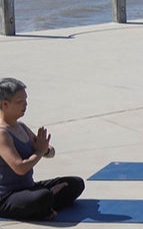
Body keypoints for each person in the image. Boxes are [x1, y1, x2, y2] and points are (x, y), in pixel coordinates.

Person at [0, 78, 85, 220]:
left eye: (26, 100)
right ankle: (47, 200)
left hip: (28, 188)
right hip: (6, 197)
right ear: (5, 104)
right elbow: (20, 168)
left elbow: (49, 152)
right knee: (42, 196)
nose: (25, 105)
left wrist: (45, 150)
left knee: (76, 183)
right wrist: (40, 151)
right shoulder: (2, 134)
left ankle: (46, 203)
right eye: (20, 101)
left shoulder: (22, 127)